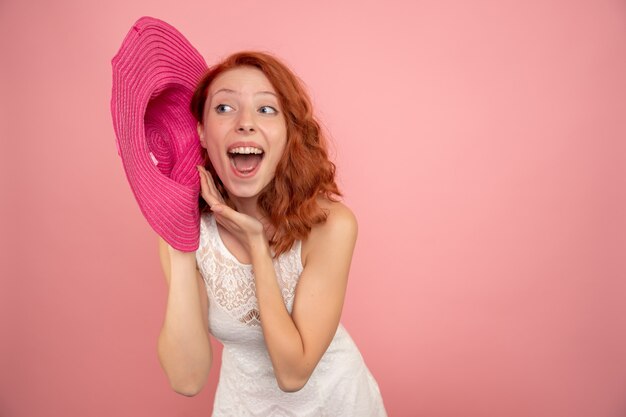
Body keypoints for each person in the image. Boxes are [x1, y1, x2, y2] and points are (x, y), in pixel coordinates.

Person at [156, 51, 387, 416]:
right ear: (201, 131)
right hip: (242, 406)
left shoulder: (331, 226)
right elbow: (187, 380)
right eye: (224, 108)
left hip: (335, 403)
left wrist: (257, 247)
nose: (245, 123)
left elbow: (293, 373)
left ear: (288, 133)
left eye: (266, 110)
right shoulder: (186, 235)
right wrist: (180, 240)